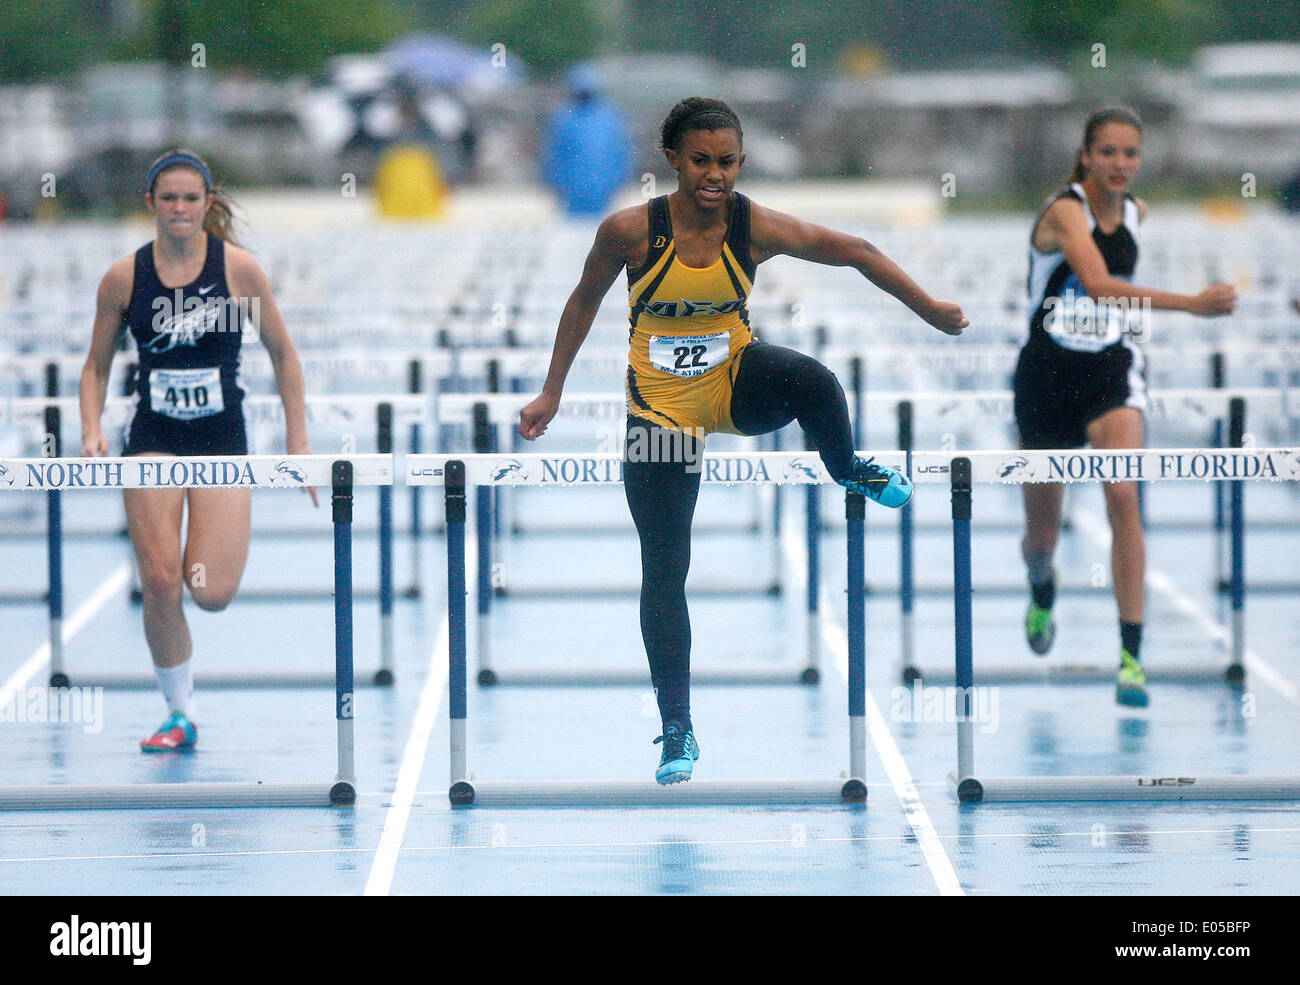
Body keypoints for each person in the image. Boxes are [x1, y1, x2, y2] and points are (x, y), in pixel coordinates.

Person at [519, 97, 967, 784]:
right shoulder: (630, 232)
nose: (715, 176)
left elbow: (854, 251)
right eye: (701, 161)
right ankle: (677, 729)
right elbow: (581, 302)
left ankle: (847, 466)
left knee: (814, 379)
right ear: (672, 159)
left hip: (734, 386)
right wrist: (552, 390)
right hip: (660, 417)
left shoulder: (753, 227)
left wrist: (929, 307)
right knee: (665, 570)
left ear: (741, 163)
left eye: (727, 163)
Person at [79, 149, 316, 751]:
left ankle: (184, 670)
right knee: (160, 581)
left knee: (209, 591)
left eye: (190, 198)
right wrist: (90, 430)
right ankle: (178, 712)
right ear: (151, 204)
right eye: (169, 199)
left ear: (207, 204)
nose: (180, 208)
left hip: (219, 440)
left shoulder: (238, 270)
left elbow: (284, 354)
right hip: (153, 440)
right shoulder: (124, 278)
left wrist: (299, 444)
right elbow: (96, 363)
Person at [1014, 107, 1237, 706]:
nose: (1119, 164)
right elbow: (1096, 284)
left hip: (1111, 375)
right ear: (1086, 156)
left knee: (1122, 495)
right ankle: (1041, 585)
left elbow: (1116, 299)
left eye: (1130, 154)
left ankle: (1131, 657)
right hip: (1047, 381)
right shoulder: (1064, 211)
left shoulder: (1138, 212)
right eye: (1107, 152)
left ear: (1140, 161)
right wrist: (1190, 304)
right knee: (1042, 531)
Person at [540, 64, 631, 218]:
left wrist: (552, 182)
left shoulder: (564, 117)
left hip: (577, 195)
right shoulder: (611, 117)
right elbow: (623, 158)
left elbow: (552, 158)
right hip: (598, 194)